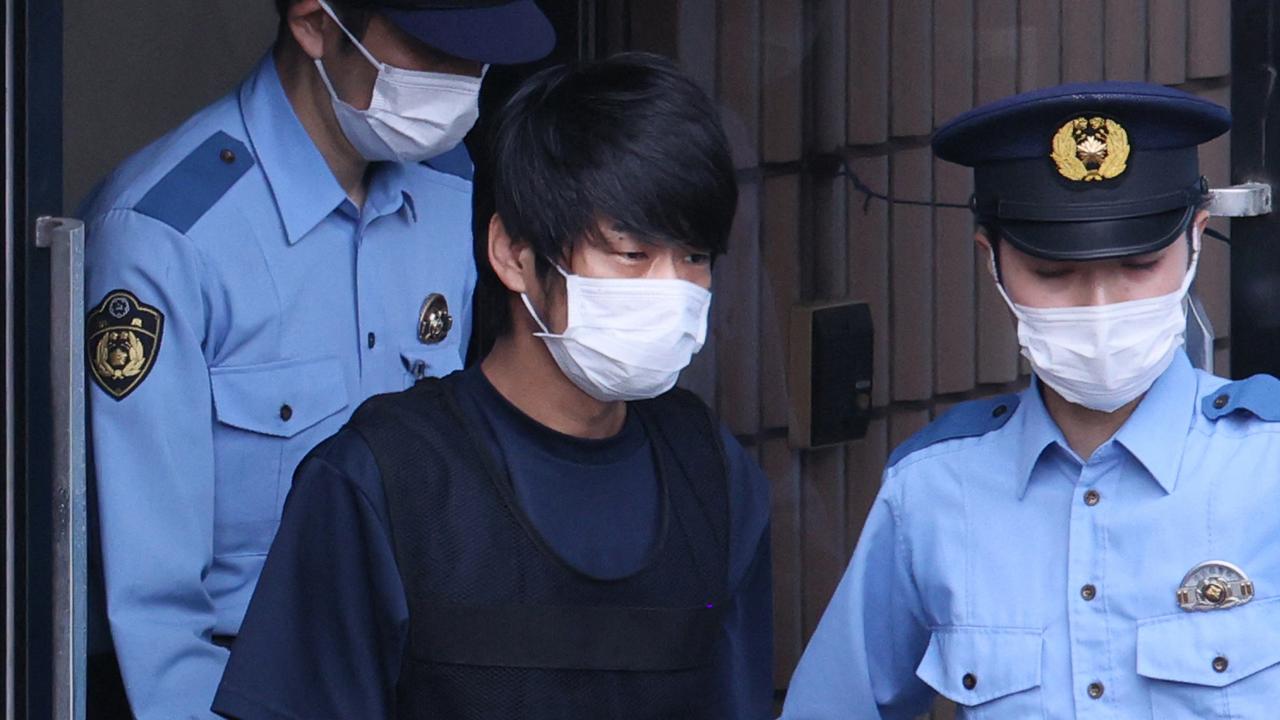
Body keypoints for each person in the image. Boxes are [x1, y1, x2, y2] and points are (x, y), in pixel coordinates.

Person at [211, 52, 774, 720]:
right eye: (632, 254)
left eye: (695, 257)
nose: (672, 289)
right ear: (513, 254)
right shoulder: (383, 479)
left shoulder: (711, 472)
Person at [81, 1, 554, 717]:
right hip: (243, 689)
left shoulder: (449, 186)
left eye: (476, 58)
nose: (462, 82)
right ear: (314, 23)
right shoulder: (165, 238)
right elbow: (158, 622)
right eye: (431, 52)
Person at [780, 83, 1280, 718]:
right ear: (992, 260)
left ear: (1195, 241)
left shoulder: (1268, 465)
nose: (1100, 307)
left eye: (1137, 265)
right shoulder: (933, 492)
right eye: (1053, 273)